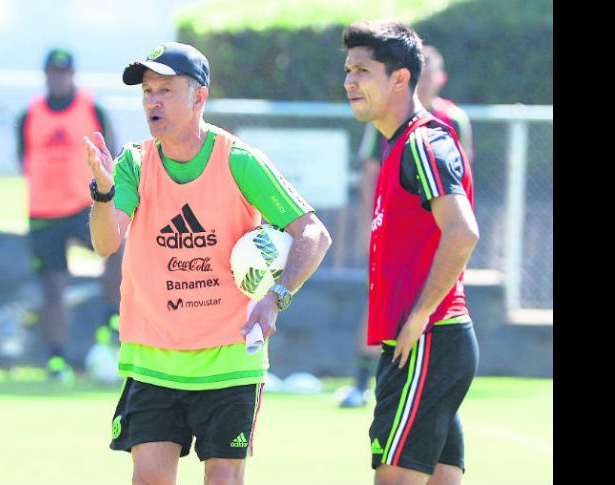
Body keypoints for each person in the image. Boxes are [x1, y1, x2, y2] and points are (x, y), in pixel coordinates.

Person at [84, 41, 331, 485]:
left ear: (199, 97)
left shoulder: (239, 161)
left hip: (230, 357)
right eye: (147, 91)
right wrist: (102, 192)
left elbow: (313, 234)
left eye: (165, 90)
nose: (152, 101)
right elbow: (106, 243)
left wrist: (276, 297)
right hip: (154, 357)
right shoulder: (133, 164)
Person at [342, 21, 480, 485]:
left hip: (426, 342)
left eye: (362, 70)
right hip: (429, 345)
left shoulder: (422, 141)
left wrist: (420, 315)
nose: (349, 82)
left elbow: (462, 232)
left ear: (400, 78)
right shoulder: (395, 145)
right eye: (347, 71)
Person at [16, 48, 121, 383]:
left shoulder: (91, 109)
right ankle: (56, 359)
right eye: (53, 72)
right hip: (44, 212)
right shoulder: (29, 115)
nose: (58, 77)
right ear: (46, 75)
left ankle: (112, 319)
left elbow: (111, 156)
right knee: (53, 287)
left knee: (118, 246)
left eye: (64, 72)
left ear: (72, 75)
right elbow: (24, 160)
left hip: (83, 207)